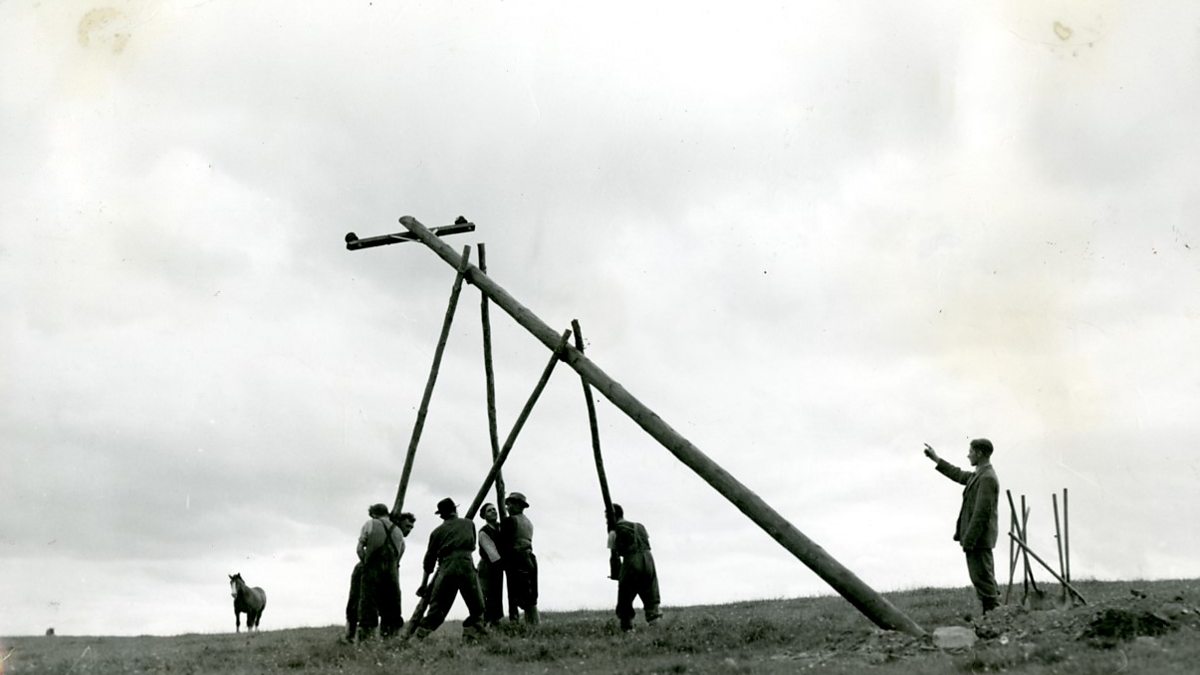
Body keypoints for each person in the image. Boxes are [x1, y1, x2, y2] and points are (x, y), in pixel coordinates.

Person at [924, 439, 1001, 614]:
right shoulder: (979, 475)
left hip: (978, 540)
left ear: (979, 453)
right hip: (976, 539)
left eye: (971, 451)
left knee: (983, 580)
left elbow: (981, 513)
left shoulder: (987, 478)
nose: (968, 455)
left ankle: (995, 618)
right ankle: (992, 617)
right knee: (982, 579)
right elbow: (958, 474)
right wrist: (936, 459)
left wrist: (969, 540)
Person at [413, 498, 487, 640]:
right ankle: (470, 638)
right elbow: (473, 545)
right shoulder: (469, 524)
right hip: (467, 566)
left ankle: (418, 638)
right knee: (477, 608)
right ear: (455, 510)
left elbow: (429, 562)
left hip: (447, 569)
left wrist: (423, 584)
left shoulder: (437, 532)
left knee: (437, 611)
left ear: (441, 515)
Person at [351, 504, 414, 640]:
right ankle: (389, 640)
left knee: (368, 605)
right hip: (391, 573)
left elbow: (359, 548)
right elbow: (400, 554)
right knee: (391, 607)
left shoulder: (370, 524)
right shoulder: (398, 531)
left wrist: (366, 563)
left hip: (372, 570)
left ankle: (367, 641)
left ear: (373, 514)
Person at [608, 503, 662, 631]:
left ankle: (627, 630)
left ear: (611, 516)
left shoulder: (614, 531)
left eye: (606, 518)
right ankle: (656, 629)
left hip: (632, 562)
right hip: (649, 561)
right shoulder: (640, 526)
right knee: (651, 597)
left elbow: (614, 556)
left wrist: (616, 574)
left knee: (625, 598)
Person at [501, 491, 539, 625]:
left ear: (519, 505)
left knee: (515, 593)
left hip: (517, 559)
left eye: (511, 504)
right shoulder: (528, 522)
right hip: (529, 558)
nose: (508, 507)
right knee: (530, 593)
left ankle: (515, 623)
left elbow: (504, 543)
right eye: (508, 504)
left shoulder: (511, 521)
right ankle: (533, 624)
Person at [476, 503, 505, 625]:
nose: (493, 512)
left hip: (498, 566)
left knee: (497, 593)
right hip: (487, 567)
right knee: (486, 595)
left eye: (494, 509)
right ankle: (484, 622)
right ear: (484, 516)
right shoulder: (484, 532)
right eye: (489, 511)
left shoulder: (501, 527)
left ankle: (495, 622)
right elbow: (492, 554)